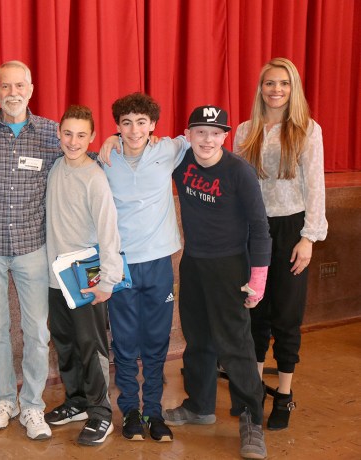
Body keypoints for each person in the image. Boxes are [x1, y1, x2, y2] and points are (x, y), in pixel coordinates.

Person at [164, 106, 272, 460]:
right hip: (194, 262)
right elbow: (146, 147)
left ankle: (252, 419)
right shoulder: (182, 164)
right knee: (197, 339)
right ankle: (199, 405)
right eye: (200, 132)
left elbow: (259, 227)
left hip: (230, 267)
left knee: (235, 344)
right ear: (188, 134)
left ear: (225, 136)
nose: (207, 139)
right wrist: (114, 143)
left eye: (215, 133)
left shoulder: (239, 171)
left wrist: (258, 277)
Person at [234, 57, 327, 430]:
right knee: (255, 312)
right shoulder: (245, 130)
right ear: (260, 89)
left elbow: (315, 187)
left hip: (291, 230)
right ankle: (254, 391)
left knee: (287, 317)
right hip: (254, 231)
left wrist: (308, 237)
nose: (276, 90)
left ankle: (284, 396)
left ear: (293, 89)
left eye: (284, 84)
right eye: (270, 83)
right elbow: (240, 187)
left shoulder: (307, 129)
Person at [0, 60, 59, 440]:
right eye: (5, 87)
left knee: (37, 330)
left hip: (31, 247)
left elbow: (85, 156)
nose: (13, 93)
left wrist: (106, 144)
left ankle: (33, 405)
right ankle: (5, 398)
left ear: (31, 88)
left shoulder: (53, 134)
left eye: (19, 85)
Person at [95, 93, 189, 443]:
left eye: (141, 122)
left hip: (159, 263)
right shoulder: (106, 157)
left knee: (156, 340)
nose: (134, 130)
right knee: (124, 342)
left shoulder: (168, 150)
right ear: (117, 127)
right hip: (121, 265)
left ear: (153, 126)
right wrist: (108, 141)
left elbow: (195, 136)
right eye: (126, 123)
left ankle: (154, 410)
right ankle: (131, 410)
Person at [44, 105, 122, 445]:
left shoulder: (95, 177)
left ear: (91, 138)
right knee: (65, 343)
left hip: (87, 276)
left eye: (81, 135)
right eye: (67, 133)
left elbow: (109, 231)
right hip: (55, 277)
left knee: (92, 345)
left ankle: (101, 412)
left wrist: (107, 280)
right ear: (58, 134)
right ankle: (75, 400)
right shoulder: (55, 168)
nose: (73, 141)